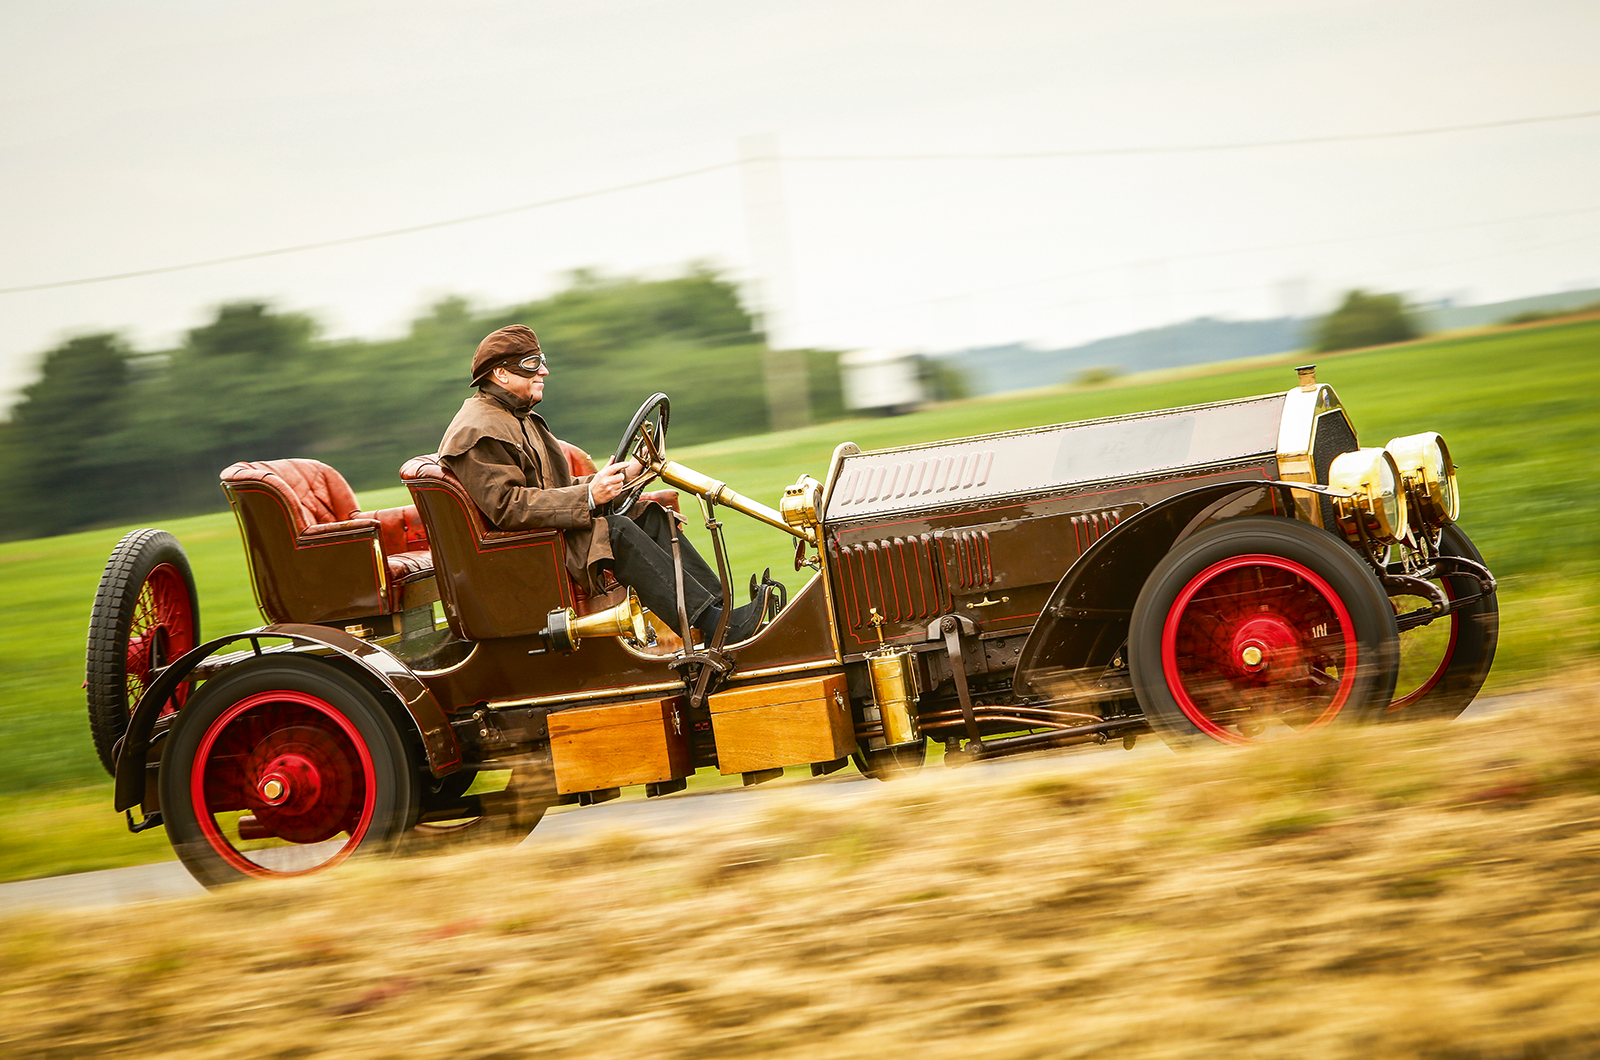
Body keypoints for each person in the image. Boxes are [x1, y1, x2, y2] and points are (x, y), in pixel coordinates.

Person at [438, 324, 765, 642]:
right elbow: (509, 507)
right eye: (531, 364)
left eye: (543, 361)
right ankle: (716, 626)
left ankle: (722, 615)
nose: (544, 372)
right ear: (501, 374)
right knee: (617, 531)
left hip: (553, 534)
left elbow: (553, 487)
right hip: (530, 554)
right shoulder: (478, 430)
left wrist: (620, 476)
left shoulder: (514, 416)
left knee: (651, 514)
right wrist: (590, 495)